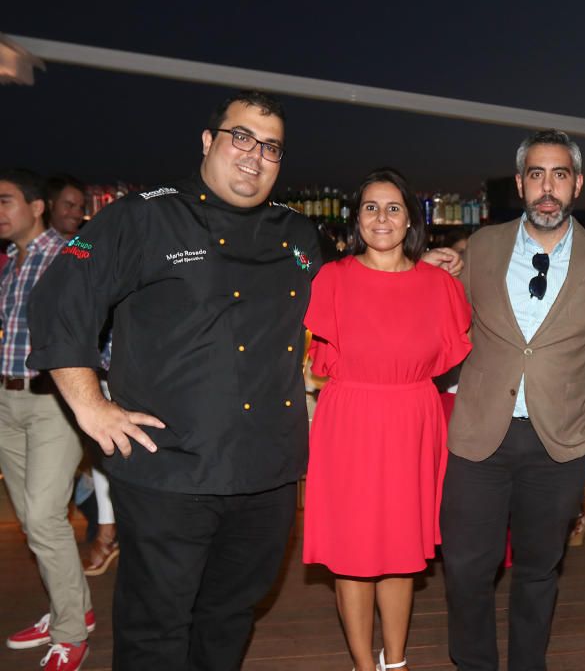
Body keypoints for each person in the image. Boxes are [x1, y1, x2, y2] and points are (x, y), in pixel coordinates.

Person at [27, 90, 460, 670]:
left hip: (265, 474)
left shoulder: (298, 237)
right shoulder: (144, 215)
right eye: (242, 138)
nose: (255, 155)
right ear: (208, 142)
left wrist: (422, 266)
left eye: (272, 147)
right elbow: (62, 299)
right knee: (156, 624)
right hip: (168, 468)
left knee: (231, 614)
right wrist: (90, 405)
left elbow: (361, 287)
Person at [441, 129, 585, 671]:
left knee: (538, 570)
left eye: (561, 175)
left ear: (578, 184)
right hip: (481, 434)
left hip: (561, 442)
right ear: (521, 182)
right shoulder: (481, 247)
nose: (549, 188)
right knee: (466, 566)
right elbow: (448, 318)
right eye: (538, 175)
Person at [303, 168, 471, 671]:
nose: (382, 217)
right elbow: (321, 360)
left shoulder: (440, 284)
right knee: (353, 555)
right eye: (371, 207)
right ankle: (362, 664)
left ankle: (394, 662)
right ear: (357, 219)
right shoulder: (331, 279)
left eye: (393, 207)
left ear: (411, 220)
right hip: (349, 423)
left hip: (412, 422)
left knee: (402, 551)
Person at [0, 169, 94, 671]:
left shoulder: (67, 256)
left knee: (42, 517)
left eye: (5, 200)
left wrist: (93, 391)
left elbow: (98, 322)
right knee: (35, 522)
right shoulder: (11, 263)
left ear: (36, 207)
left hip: (53, 402)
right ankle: (70, 606)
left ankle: (71, 632)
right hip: (7, 401)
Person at [45, 174, 87, 239]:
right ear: (50, 205)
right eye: (69, 205)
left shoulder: (89, 243)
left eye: (81, 208)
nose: (77, 215)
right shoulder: (33, 244)